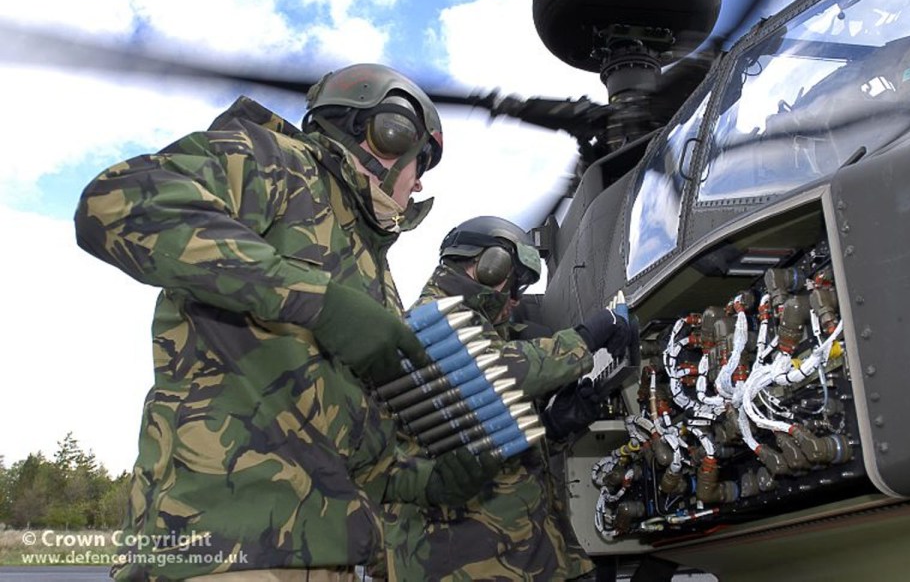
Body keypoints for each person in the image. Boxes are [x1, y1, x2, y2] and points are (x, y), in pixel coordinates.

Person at [74, 63, 497, 581]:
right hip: (224, 549)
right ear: (389, 136)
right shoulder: (278, 163)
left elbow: (350, 450)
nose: (421, 180)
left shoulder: (374, 269)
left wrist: (426, 482)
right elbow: (115, 204)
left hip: (326, 554)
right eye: (421, 161)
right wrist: (316, 300)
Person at [383, 215, 633, 581]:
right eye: (514, 285)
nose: (515, 301)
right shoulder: (424, 325)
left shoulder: (478, 334)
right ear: (488, 266)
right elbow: (490, 372)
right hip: (461, 562)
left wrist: (551, 427)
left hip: (516, 556)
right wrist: (587, 337)